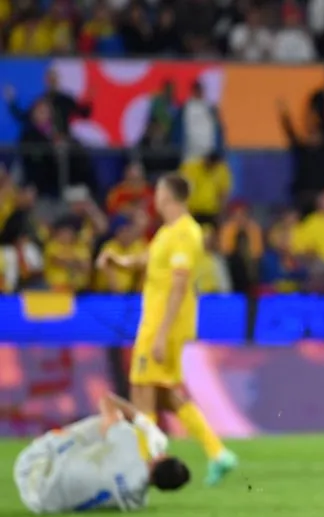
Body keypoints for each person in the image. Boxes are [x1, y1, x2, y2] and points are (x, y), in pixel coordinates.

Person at [97, 173, 238, 486]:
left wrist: (160, 335)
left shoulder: (187, 233)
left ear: (168, 195)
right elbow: (145, 260)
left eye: (158, 190)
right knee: (164, 395)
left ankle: (146, 467)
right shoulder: (167, 232)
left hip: (164, 326)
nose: (154, 195)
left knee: (141, 391)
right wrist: (118, 260)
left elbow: (179, 286)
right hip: (159, 324)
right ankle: (217, 452)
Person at [14, 393, 190, 514]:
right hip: (42, 505)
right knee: (108, 445)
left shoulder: (129, 445)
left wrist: (143, 423)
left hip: (32, 468)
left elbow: (107, 400)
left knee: (107, 424)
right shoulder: (136, 503)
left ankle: (55, 451)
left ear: (162, 457)